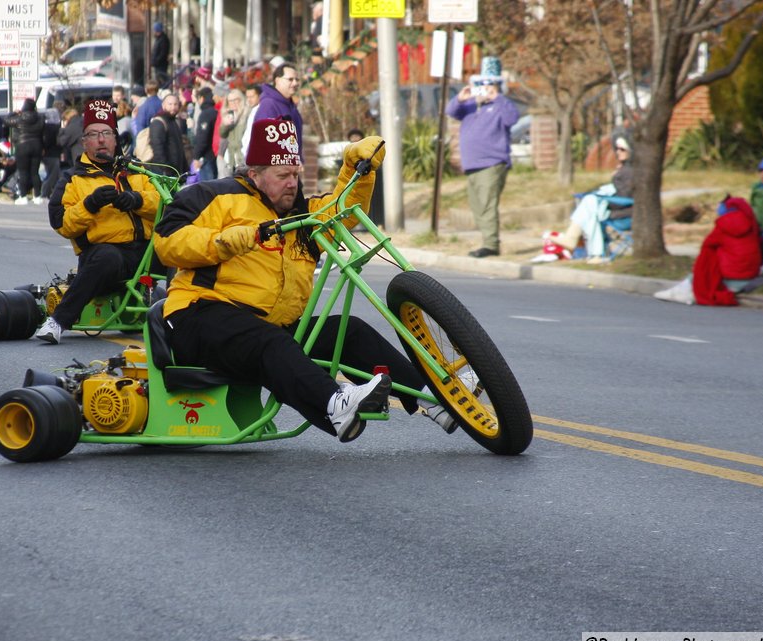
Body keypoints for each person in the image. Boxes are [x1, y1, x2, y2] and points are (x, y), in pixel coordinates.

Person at [152, 117, 458, 442]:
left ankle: (431, 397)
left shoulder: (301, 214)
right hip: (198, 318)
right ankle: (334, 403)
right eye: (282, 175)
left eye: (295, 174)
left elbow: (345, 211)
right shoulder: (214, 195)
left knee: (348, 331)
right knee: (269, 341)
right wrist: (225, 241)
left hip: (267, 327)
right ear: (254, 174)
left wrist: (358, 168)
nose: (292, 183)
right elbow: (166, 242)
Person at [36, 100, 162, 344]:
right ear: (84, 141)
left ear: (115, 139)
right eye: (94, 134)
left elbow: (164, 204)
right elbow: (62, 224)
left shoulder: (137, 170)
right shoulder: (73, 179)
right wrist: (90, 205)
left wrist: (137, 200)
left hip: (144, 254)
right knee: (108, 257)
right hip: (104, 257)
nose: (101, 140)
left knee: (179, 246)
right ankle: (58, 322)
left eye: (106, 133)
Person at [445, 56, 519, 258]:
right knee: (477, 205)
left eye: (489, 84)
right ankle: (488, 240)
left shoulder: (501, 105)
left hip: (493, 162)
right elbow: (450, 111)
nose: (484, 88)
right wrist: (461, 97)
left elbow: (513, 118)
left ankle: (491, 244)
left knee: (487, 204)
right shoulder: (469, 106)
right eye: (481, 84)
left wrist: (497, 97)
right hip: (472, 164)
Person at [535, 135, 634, 263]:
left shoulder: (631, 171)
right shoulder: (624, 169)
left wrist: (602, 200)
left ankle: (583, 245)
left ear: (631, 151)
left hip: (626, 214)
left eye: (622, 149)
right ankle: (590, 250)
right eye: (617, 149)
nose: (618, 152)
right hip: (617, 209)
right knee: (590, 202)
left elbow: (624, 198)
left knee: (590, 202)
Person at [653, 196, 761, 306]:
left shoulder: (724, 225)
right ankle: (685, 287)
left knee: (708, 256)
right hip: (749, 276)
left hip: (729, 279)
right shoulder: (751, 225)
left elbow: (707, 244)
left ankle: (687, 287)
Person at [250, 62, 303, 151]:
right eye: (290, 79)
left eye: (296, 79)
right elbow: (265, 143)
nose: (295, 83)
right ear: (277, 80)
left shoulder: (290, 105)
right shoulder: (269, 105)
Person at [6, 97, 45, 204]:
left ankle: (23, 196)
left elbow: (7, 121)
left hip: (22, 146)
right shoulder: (40, 118)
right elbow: (43, 133)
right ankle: (37, 196)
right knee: (35, 172)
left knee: (23, 172)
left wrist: (14, 113)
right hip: (37, 145)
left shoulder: (20, 118)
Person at [149, 93, 189, 176]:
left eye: (175, 104)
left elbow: (180, 147)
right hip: (164, 173)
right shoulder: (158, 122)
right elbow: (157, 149)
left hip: (176, 171)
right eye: (170, 104)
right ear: (163, 105)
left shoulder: (175, 121)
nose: (173, 107)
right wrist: (167, 169)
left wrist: (185, 168)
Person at [191, 86, 218, 181]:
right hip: (215, 155)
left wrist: (196, 156)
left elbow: (202, 138)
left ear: (201, 98)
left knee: (207, 189)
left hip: (207, 157)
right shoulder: (216, 111)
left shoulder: (205, 114)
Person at [219, 88, 248, 174]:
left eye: (235, 100)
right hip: (230, 157)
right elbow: (222, 135)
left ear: (241, 99)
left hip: (243, 156)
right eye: (230, 101)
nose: (233, 103)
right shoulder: (227, 114)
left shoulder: (247, 112)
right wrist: (225, 125)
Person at [40, 104, 63, 201]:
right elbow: (52, 141)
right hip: (53, 154)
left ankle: (49, 193)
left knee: (52, 174)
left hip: (48, 154)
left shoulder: (44, 127)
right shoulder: (54, 128)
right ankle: (44, 193)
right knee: (52, 175)